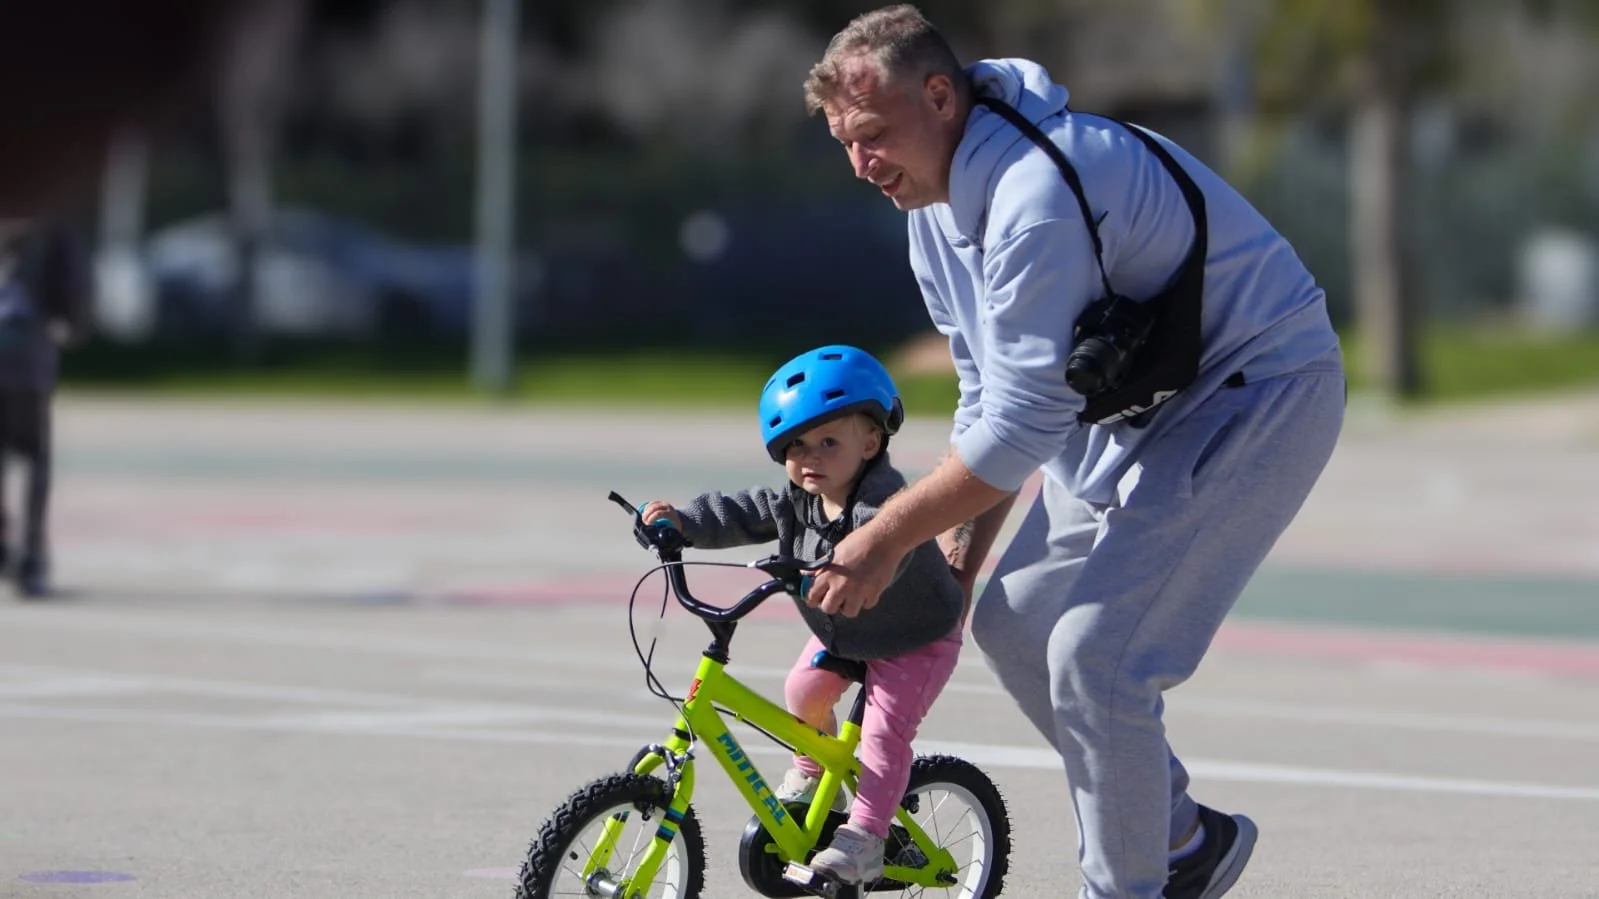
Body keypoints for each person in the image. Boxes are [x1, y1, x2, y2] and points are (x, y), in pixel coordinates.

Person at [797, 6, 1346, 899]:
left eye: (871, 136)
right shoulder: (934, 209)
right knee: (1017, 628)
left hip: (1253, 390)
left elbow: (1020, 427)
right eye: (844, 144)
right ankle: (1180, 841)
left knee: (1098, 660)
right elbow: (989, 399)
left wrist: (887, 534)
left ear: (940, 95)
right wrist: (958, 564)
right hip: (1131, 409)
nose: (861, 165)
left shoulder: (1032, 197)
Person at [638, 344, 967, 886]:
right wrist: (681, 521)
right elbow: (742, 512)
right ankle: (816, 776)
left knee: (884, 736)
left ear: (871, 441)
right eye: (796, 446)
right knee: (802, 693)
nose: (809, 458)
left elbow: (895, 552)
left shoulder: (885, 506)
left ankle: (865, 837)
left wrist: (841, 566)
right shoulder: (798, 499)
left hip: (915, 637)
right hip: (846, 633)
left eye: (828, 442)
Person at [0, 219, 90, 597]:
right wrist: (74, 323)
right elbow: (72, 288)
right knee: (36, 457)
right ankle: (32, 555)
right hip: (25, 360)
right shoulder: (49, 222)